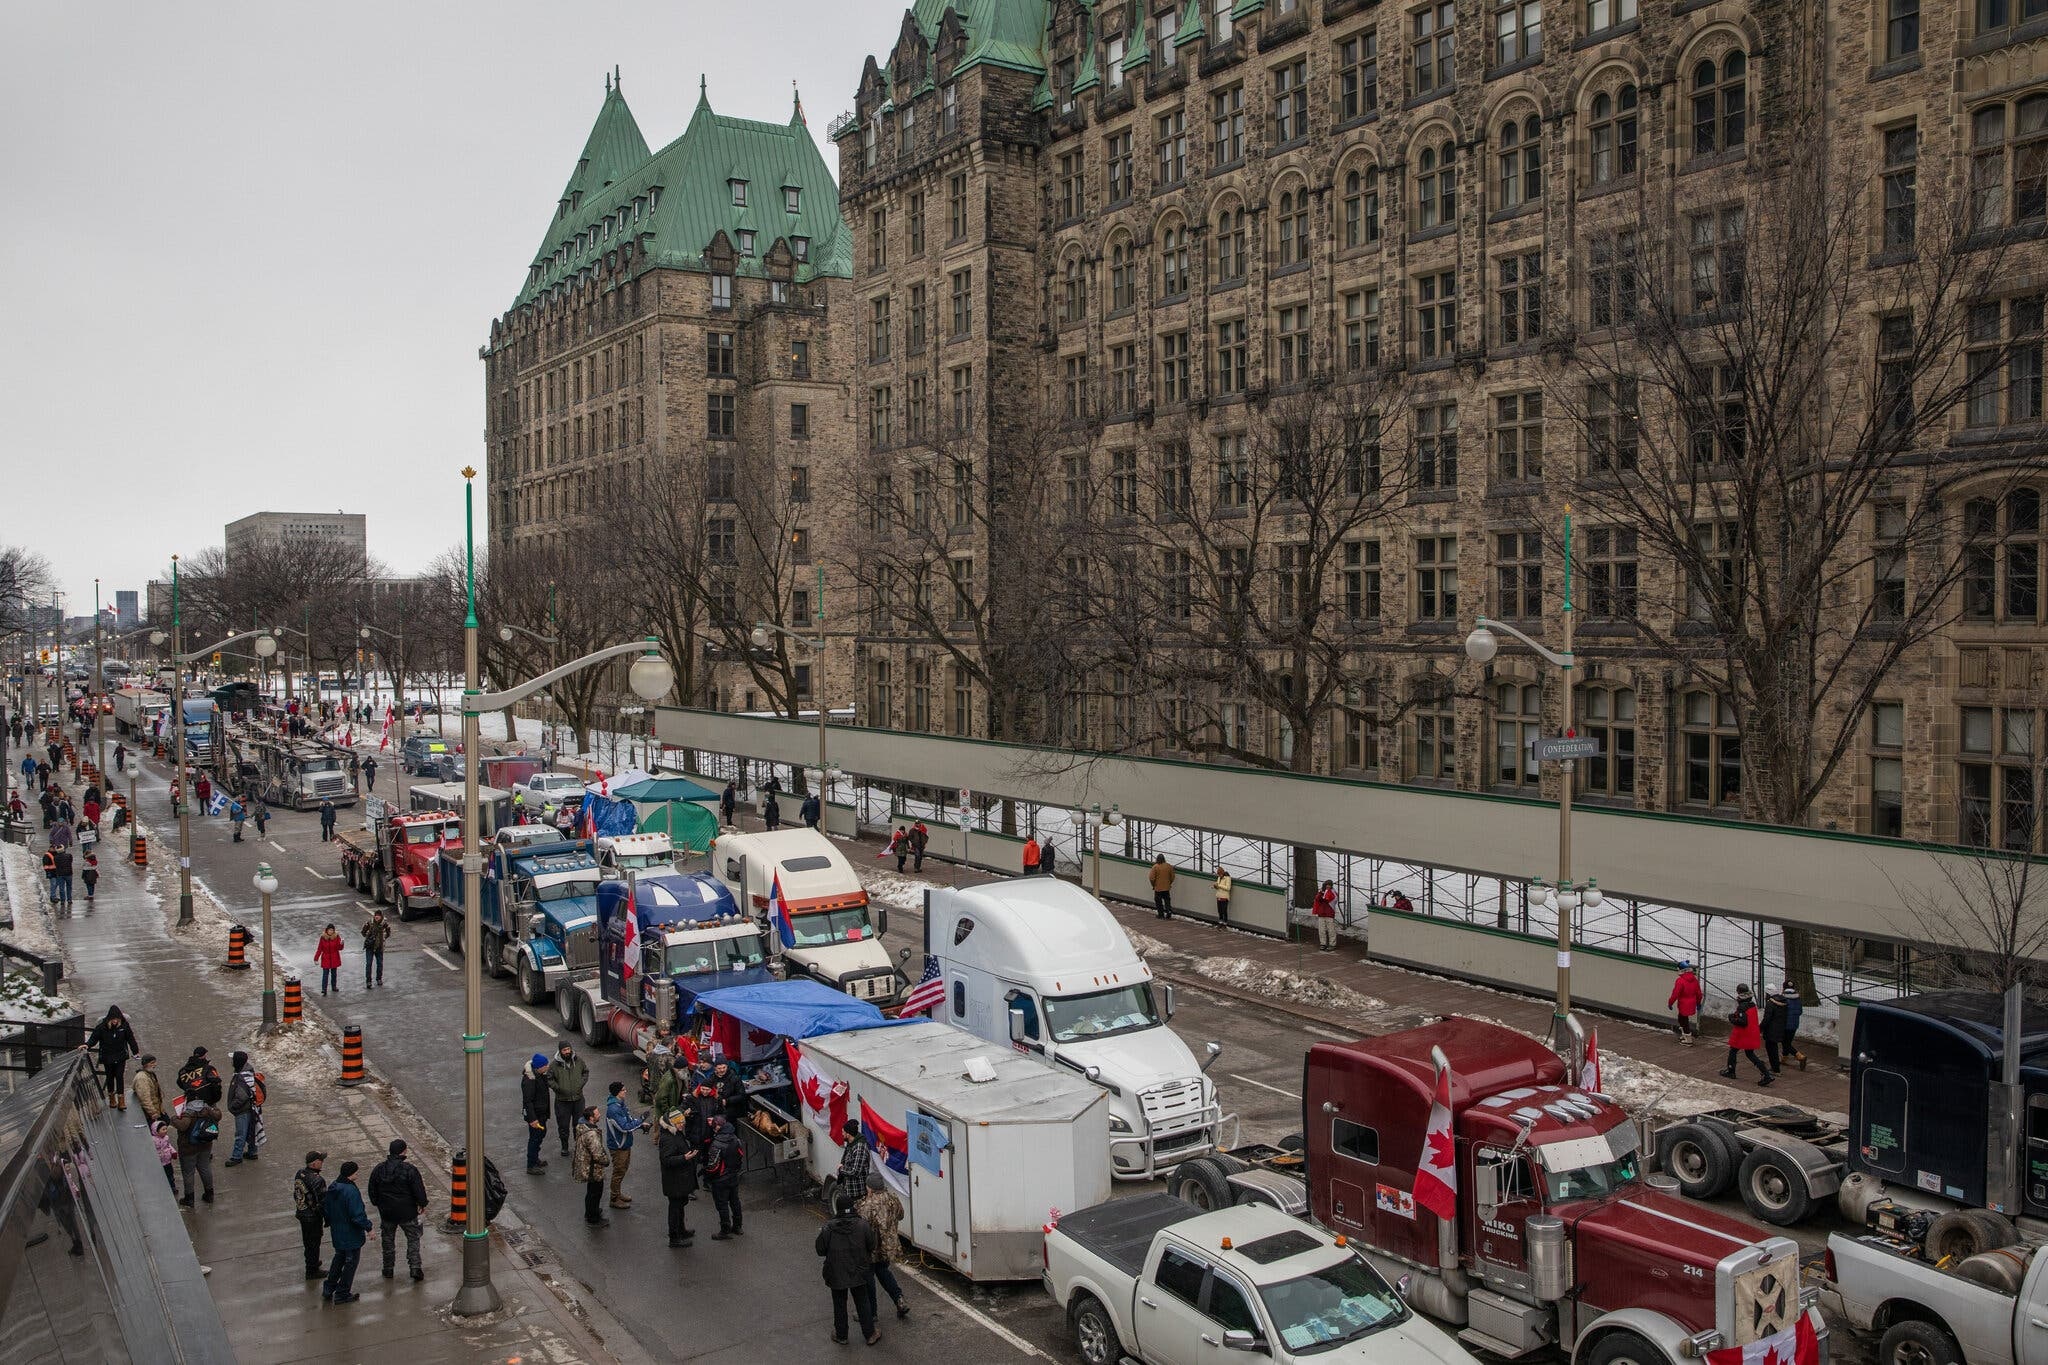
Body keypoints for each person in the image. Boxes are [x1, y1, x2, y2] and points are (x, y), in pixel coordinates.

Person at [817, 1187, 882, 1345]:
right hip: (859, 1271)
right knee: (862, 1301)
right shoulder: (862, 1225)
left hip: (836, 1272)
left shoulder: (828, 1227)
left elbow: (820, 1250)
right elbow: (872, 1245)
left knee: (839, 1303)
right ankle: (870, 1334)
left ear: (837, 1208)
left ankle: (842, 1335)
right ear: (852, 1206)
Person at [367, 1138, 430, 1281]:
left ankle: (388, 1268)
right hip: (407, 1212)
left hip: (387, 1212)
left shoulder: (379, 1169)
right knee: (413, 1239)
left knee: (388, 1240)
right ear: (404, 1151)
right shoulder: (409, 1170)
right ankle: (415, 1267)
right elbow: (419, 1190)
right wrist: (422, 1204)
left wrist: (378, 1203)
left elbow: (372, 1190)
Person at [856, 1170, 911, 1319]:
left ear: (870, 1188)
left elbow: (860, 1227)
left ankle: (871, 1313)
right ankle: (899, 1300)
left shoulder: (867, 1205)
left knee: (869, 1280)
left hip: (871, 1249)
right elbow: (901, 1215)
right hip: (888, 1247)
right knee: (884, 1273)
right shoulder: (892, 1198)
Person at [321, 1161, 373, 1303]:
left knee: (338, 1260)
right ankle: (342, 1293)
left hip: (337, 1233)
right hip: (351, 1235)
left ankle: (328, 1288)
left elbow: (326, 1209)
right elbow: (357, 1215)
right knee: (350, 1264)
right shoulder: (351, 1191)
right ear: (351, 1174)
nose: (357, 1174)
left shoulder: (333, 1187)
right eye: (356, 1172)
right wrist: (369, 1227)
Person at [171, 1084, 221, 1207]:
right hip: (205, 1144)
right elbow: (218, 1116)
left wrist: (173, 1119)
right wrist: (213, 1107)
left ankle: (189, 1198)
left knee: (188, 1172)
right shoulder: (206, 1108)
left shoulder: (188, 1112)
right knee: (205, 1168)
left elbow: (183, 1126)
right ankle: (209, 1194)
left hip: (188, 1148)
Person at [656, 1109, 700, 1247]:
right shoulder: (668, 1138)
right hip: (674, 1180)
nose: (682, 1125)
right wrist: (684, 1157)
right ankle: (674, 1238)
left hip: (680, 1179)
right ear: (673, 1123)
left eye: (683, 1122)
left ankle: (681, 1230)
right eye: (680, 1123)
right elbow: (666, 1160)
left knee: (680, 1206)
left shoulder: (674, 1132)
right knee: (675, 1209)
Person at [83, 1004, 141, 1108]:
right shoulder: (102, 1027)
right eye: (113, 1019)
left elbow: (130, 1039)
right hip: (107, 1057)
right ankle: (112, 1099)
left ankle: (121, 1100)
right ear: (109, 1019)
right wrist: (87, 1045)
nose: (115, 1021)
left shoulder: (124, 1026)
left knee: (119, 1077)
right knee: (110, 1077)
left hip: (120, 1056)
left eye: (117, 1019)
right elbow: (93, 1039)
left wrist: (135, 1051)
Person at [603, 1079, 646, 1209]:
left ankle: (618, 1193)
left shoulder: (620, 1104)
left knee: (622, 1170)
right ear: (617, 1092)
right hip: (618, 1146)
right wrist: (640, 1122)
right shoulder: (613, 1109)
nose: (626, 1091)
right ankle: (614, 1198)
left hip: (625, 1144)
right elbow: (624, 1127)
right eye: (623, 1090)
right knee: (618, 1172)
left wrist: (640, 1123)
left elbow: (629, 1120)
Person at [1721, 984, 1773, 1086]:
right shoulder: (1751, 1003)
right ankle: (1766, 1074)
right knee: (1750, 1054)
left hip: (1744, 1034)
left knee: (1733, 1051)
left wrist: (1732, 1018)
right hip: (1752, 1032)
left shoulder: (1742, 1006)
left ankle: (1731, 1071)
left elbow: (1743, 1022)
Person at [703, 1115, 743, 1239]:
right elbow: (740, 1156)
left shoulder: (717, 1144)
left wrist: (707, 1175)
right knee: (735, 1202)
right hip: (733, 1176)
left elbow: (713, 1166)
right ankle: (738, 1226)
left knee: (722, 1205)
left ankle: (725, 1230)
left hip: (720, 1180)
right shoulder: (735, 1138)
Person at [547, 1042, 589, 1159]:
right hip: (562, 1101)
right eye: (564, 1050)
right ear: (560, 1051)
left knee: (579, 1124)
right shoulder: (554, 1065)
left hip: (578, 1100)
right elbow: (549, 1079)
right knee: (563, 1125)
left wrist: (581, 1084)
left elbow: (585, 1072)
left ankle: (578, 1145)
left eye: (568, 1049)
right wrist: (558, 1088)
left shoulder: (579, 1061)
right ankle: (564, 1146)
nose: (567, 1052)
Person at [572, 1105, 611, 1226]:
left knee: (591, 1192)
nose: (599, 1114)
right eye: (597, 1113)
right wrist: (606, 1161)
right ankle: (593, 1218)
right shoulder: (591, 1134)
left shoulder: (583, 1128)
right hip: (592, 1168)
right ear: (591, 1118)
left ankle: (590, 1212)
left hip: (587, 1166)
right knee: (595, 1193)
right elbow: (598, 1154)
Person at [293, 1152, 329, 1279]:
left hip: (302, 1213)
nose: (322, 1162)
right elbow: (323, 1201)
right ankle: (312, 1270)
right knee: (313, 1243)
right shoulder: (317, 1180)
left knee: (308, 1241)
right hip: (313, 1217)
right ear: (314, 1163)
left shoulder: (300, 1173)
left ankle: (312, 1262)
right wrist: (328, 1218)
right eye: (320, 1160)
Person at [224, 1049, 264, 1165]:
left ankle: (236, 1156)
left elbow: (241, 1097)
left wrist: (233, 1107)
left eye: (233, 1060)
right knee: (252, 1130)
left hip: (243, 1110)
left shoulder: (240, 1077)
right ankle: (252, 1152)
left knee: (240, 1134)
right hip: (252, 1108)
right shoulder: (249, 1072)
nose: (231, 1062)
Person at [522, 1053, 552, 1173]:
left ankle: (535, 1159)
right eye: (545, 1065)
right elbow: (528, 1101)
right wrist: (532, 1119)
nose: (547, 1067)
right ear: (539, 1067)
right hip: (536, 1115)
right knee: (534, 1138)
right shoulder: (530, 1080)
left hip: (541, 1113)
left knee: (540, 1135)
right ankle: (531, 1165)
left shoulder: (539, 1075)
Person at [1668, 961, 1704, 1045]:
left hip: (1683, 1004)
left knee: (1683, 1020)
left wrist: (1670, 1003)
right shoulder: (1694, 979)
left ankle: (1688, 1039)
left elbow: (1675, 994)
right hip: (1692, 1003)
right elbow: (1698, 993)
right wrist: (1698, 1003)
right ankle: (1685, 1035)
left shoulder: (1680, 981)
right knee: (1683, 1019)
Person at [1780, 982, 1808, 1070]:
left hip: (1785, 1025)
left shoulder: (1783, 999)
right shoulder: (1797, 998)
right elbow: (1800, 1011)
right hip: (1794, 1024)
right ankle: (1784, 1058)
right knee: (1787, 1042)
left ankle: (1800, 1056)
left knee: (1785, 1042)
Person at [361, 909, 391, 988]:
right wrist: (368, 938)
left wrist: (383, 939)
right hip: (370, 947)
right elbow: (363, 932)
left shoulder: (385, 924)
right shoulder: (369, 923)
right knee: (369, 964)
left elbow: (388, 932)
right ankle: (368, 981)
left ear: (381, 916)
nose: (377, 917)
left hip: (379, 947)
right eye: (376, 915)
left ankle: (379, 979)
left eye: (378, 915)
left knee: (380, 964)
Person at [132, 1053, 166, 1122]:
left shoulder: (149, 1074)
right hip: (150, 1114)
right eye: (152, 1063)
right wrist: (153, 1112)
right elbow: (145, 1099)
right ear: (145, 1064)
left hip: (156, 1110)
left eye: (155, 1062)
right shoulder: (142, 1078)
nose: (155, 1064)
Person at [153, 1117, 180, 1196]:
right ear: (156, 1131)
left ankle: (173, 1187)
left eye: (166, 1129)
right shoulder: (153, 1140)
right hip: (160, 1162)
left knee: (170, 1175)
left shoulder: (166, 1138)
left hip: (167, 1161)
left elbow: (169, 1146)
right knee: (163, 1176)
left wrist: (173, 1152)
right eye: (163, 1129)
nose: (165, 1131)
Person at [314, 924, 344, 994]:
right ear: (327, 930)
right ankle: (324, 989)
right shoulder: (323, 937)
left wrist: (342, 943)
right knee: (325, 974)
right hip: (326, 958)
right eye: (330, 930)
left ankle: (334, 987)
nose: (331, 931)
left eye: (332, 930)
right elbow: (319, 949)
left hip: (334, 957)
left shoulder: (336, 937)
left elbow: (340, 948)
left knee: (334, 974)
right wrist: (316, 958)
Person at [1312, 879, 1340, 950]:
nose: (1328, 887)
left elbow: (1332, 900)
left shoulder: (1333, 893)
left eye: (1329, 885)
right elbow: (1317, 899)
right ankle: (1323, 943)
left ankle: (1332, 944)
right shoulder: (1321, 892)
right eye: (1326, 885)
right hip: (1321, 913)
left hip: (1329, 913)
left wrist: (1325, 896)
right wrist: (1321, 893)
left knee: (1331, 930)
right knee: (1322, 930)